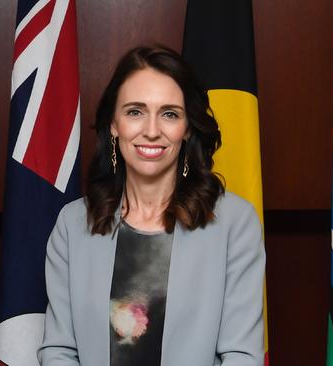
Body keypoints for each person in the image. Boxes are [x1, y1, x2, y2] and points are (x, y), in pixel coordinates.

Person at [37, 46, 265, 365]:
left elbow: (241, 356)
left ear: (187, 128)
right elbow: (60, 351)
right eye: (135, 111)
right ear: (114, 125)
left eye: (169, 114)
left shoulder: (235, 223)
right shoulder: (73, 224)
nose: (152, 131)